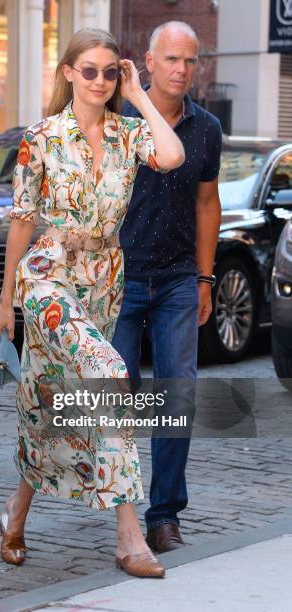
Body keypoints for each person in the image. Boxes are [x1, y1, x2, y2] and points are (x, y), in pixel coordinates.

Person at [0, 28, 185, 578]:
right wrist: (6, 303)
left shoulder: (128, 133)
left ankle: (16, 512)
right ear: (68, 73)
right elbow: (23, 221)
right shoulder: (41, 137)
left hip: (105, 277)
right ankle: (129, 538)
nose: (100, 80)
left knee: (54, 402)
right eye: (91, 70)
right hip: (49, 273)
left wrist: (140, 94)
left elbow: (172, 154)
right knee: (108, 375)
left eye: (109, 72)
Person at [112, 21, 222, 553]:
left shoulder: (207, 129)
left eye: (191, 61)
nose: (182, 70)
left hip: (179, 278)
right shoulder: (117, 119)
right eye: (172, 59)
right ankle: (123, 512)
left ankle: (164, 517)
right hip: (120, 279)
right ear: (148, 62)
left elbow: (207, 204)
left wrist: (205, 279)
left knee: (179, 393)